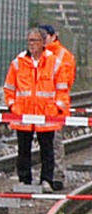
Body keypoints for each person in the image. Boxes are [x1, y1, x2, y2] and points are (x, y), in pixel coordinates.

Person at [3, 28, 69, 193]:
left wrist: (56, 109)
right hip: (23, 113)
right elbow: (9, 88)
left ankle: (46, 180)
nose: (31, 44)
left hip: (46, 114)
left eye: (35, 41)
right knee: (23, 149)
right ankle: (25, 180)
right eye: (29, 41)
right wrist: (13, 106)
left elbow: (62, 90)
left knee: (47, 149)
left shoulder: (54, 63)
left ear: (43, 43)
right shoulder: (18, 63)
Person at [37, 24, 76, 191]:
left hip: (55, 106)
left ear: (53, 36)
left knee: (55, 141)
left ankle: (57, 176)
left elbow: (65, 82)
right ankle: (47, 176)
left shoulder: (62, 55)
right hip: (40, 106)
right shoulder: (39, 54)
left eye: (44, 36)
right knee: (46, 143)